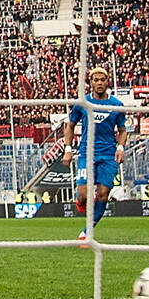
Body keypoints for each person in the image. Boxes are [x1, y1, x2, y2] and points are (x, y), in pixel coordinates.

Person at [62, 66, 126, 247]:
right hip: (86, 153)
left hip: (107, 155)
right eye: (96, 80)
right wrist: (68, 149)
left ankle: (87, 232)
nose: (99, 83)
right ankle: (80, 200)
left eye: (102, 80)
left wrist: (120, 147)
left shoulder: (117, 105)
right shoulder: (82, 103)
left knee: (104, 194)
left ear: (107, 82)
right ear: (91, 82)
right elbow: (70, 125)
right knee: (83, 196)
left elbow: (122, 130)